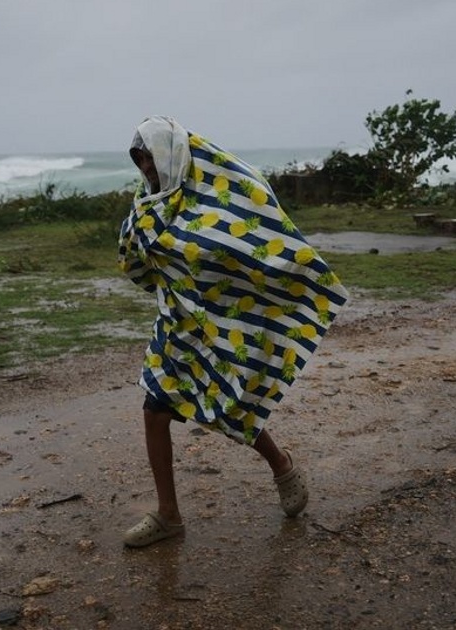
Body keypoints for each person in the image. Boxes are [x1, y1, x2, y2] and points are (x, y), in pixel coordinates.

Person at [118, 116, 349, 547]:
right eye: (140, 160)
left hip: (222, 321)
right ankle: (169, 515)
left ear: (172, 153)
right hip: (176, 324)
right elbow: (138, 258)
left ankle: (282, 466)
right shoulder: (147, 203)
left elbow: (254, 241)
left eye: (151, 157)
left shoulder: (221, 196)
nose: (147, 167)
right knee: (154, 409)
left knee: (230, 403)